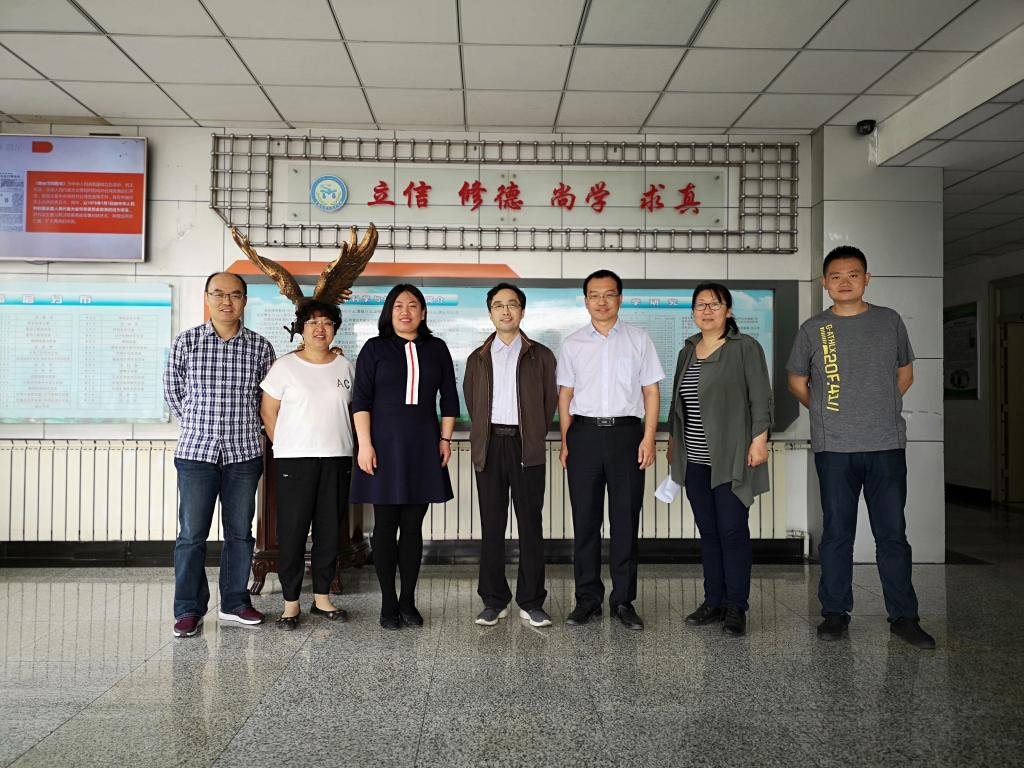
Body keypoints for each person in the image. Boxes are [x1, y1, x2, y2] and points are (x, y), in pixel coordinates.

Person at [787, 245, 936, 650]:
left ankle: (904, 617)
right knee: (837, 534)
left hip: (886, 445)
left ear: (866, 279)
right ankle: (835, 613)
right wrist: (828, 412)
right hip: (834, 449)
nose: (845, 282)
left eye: (853, 274)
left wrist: (879, 408)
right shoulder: (814, 328)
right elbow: (797, 381)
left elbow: (905, 373)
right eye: (836, 276)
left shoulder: (889, 321)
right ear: (825, 282)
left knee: (892, 535)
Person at [163, 272, 275, 638]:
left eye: (235, 295)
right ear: (207, 297)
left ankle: (235, 602)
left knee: (240, 533)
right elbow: (173, 392)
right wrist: (200, 424)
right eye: (219, 294)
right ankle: (188, 609)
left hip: (244, 453)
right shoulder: (187, 342)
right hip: (197, 453)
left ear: (245, 300)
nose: (227, 301)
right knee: (191, 535)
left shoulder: (260, 347)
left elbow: (267, 400)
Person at [558, 269, 664, 631]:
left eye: (609, 294)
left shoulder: (638, 339)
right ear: (585, 300)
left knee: (625, 522)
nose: (601, 301)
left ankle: (623, 601)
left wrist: (648, 437)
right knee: (585, 522)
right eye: (594, 295)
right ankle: (587, 600)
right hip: (584, 436)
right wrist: (566, 442)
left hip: (627, 435)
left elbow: (651, 391)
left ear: (620, 298)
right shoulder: (572, 343)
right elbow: (566, 396)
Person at [351, 284, 459, 630]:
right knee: (385, 527)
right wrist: (364, 445)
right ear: (389, 311)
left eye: (413, 305)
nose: (406, 311)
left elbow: (450, 398)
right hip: (382, 447)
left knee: (413, 527)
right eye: (398, 305)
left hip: (423, 447)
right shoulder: (374, 348)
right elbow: (360, 400)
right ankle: (388, 603)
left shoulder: (437, 348)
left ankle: (408, 600)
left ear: (423, 313)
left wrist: (445, 439)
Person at [668, 283, 772, 637]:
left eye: (715, 304)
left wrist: (759, 441)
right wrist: (674, 444)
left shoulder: (745, 347)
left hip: (731, 456)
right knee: (709, 532)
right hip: (695, 460)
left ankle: (736, 606)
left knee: (732, 530)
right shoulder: (687, 350)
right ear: (693, 313)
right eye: (700, 305)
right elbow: (678, 406)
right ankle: (713, 601)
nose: (707, 310)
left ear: (728, 311)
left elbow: (761, 398)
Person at [464, 283, 558, 628]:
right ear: (490, 312)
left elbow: (549, 402)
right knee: (492, 526)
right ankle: (494, 600)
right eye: (499, 305)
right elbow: (472, 400)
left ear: (522, 311)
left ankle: (531, 601)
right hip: (490, 446)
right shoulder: (478, 357)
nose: (506, 311)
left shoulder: (541, 355)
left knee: (530, 525)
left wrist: (531, 432)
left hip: (525, 446)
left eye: (512, 304)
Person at [260, 300, 355, 630]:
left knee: (329, 531)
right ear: (301, 328)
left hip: (337, 457)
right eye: (313, 322)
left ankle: (322, 598)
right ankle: (290, 603)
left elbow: (355, 411)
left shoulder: (345, 367)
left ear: (334, 329)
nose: (320, 328)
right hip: (294, 460)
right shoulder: (285, 366)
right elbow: (268, 411)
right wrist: (285, 444)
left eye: (327, 322)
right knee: (293, 532)